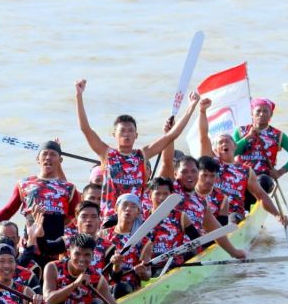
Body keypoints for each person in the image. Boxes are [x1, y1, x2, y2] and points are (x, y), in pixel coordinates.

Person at [74, 79, 201, 222]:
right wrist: (79, 96)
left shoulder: (143, 154)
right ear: (114, 134)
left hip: (136, 218)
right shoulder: (107, 153)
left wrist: (191, 106)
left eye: (130, 131)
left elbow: (172, 135)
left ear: (136, 135)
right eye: (122, 131)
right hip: (110, 217)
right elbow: (85, 129)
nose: (126, 134)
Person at [43, 234, 149, 304]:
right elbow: (48, 300)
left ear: (93, 256)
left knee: (97, 302)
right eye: (77, 254)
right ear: (69, 253)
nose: (82, 259)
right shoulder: (53, 268)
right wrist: (75, 284)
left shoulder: (97, 279)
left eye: (87, 255)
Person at [197, 98, 286, 224]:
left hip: (233, 216)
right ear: (215, 149)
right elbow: (203, 135)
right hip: (209, 212)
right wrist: (202, 111)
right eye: (220, 143)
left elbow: (261, 196)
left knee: (232, 219)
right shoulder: (211, 162)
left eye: (227, 141)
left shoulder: (245, 171)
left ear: (235, 146)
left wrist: (278, 216)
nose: (224, 144)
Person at [0, 141, 80, 261]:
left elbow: (74, 216)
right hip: (30, 242)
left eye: (53, 154)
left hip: (54, 244)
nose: (48, 157)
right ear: (38, 159)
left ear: (60, 160)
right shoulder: (24, 184)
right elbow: (9, 209)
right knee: (29, 272)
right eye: (45, 154)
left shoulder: (69, 188)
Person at [173, 156, 246, 259]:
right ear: (175, 174)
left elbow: (217, 231)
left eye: (194, 171)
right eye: (184, 172)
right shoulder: (171, 189)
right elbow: (166, 161)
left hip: (191, 251)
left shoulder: (203, 202)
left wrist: (234, 252)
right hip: (168, 251)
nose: (190, 175)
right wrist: (171, 139)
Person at [233, 97, 288, 193]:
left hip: (263, 180)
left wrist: (280, 172)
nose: (261, 114)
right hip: (241, 174)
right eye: (258, 111)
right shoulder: (240, 132)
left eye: (265, 111)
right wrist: (248, 137)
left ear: (271, 114)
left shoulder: (278, 135)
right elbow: (231, 153)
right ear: (252, 113)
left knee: (262, 181)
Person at [99, 194, 153, 297]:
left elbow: (148, 275)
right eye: (124, 205)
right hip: (104, 285)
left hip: (127, 287)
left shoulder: (144, 241)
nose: (128, 209)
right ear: (116, 208)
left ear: (138, 213)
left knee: (120, 288)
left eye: (133, 206)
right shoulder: (102, 234)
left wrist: (142, 273)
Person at [195, 156, 229, 225]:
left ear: (216, 177)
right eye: (204, 175)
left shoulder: (222, 199)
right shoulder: (185, 193)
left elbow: (221, 228)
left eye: (212, 176)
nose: (208, 180)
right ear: (196, 174)